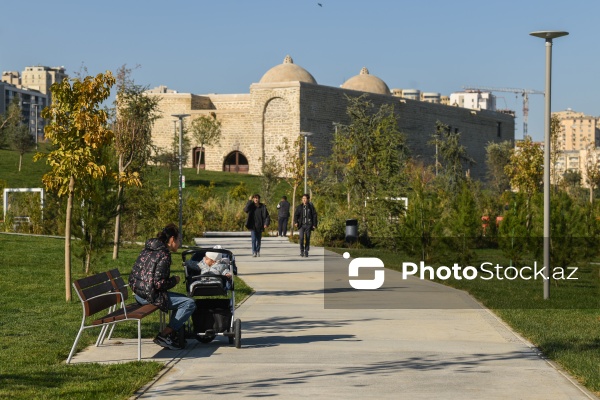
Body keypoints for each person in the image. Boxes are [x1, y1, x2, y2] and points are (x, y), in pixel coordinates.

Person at [128, 223, 196, 350]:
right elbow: (159, 284)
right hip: (149, 296)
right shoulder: (164, 255)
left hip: (139, 293)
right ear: (171, 239)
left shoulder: (148, 249)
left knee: (181, 299)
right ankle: (164, 335)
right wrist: (174, 280)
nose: (180, 243)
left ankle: (172, 334)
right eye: (179, 240)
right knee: (188, 303)